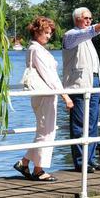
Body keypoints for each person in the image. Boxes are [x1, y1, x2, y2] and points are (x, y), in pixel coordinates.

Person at [14, 16, 74, 182]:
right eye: (46, 32)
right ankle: (38, 170)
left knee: (45, 130)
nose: (49, 36)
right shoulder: (36, 50)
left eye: (50, 33)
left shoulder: (37, 49)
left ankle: (25, 163)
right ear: (36, 32)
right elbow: (50, 76)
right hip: (44, 95)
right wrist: (65, 96)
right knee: (46, 132)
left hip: (45, 95)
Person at [62, 7, 100, 172]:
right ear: (77, 19)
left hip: (94, 83)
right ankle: (80, 162)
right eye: (86, 18)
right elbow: (91, 31)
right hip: (79, 85)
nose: (89, 21)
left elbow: (91, 64)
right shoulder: (71, 36)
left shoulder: (87, 40)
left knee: (93, 124)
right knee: (80, 124)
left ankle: (90, 159)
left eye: (90, 18)